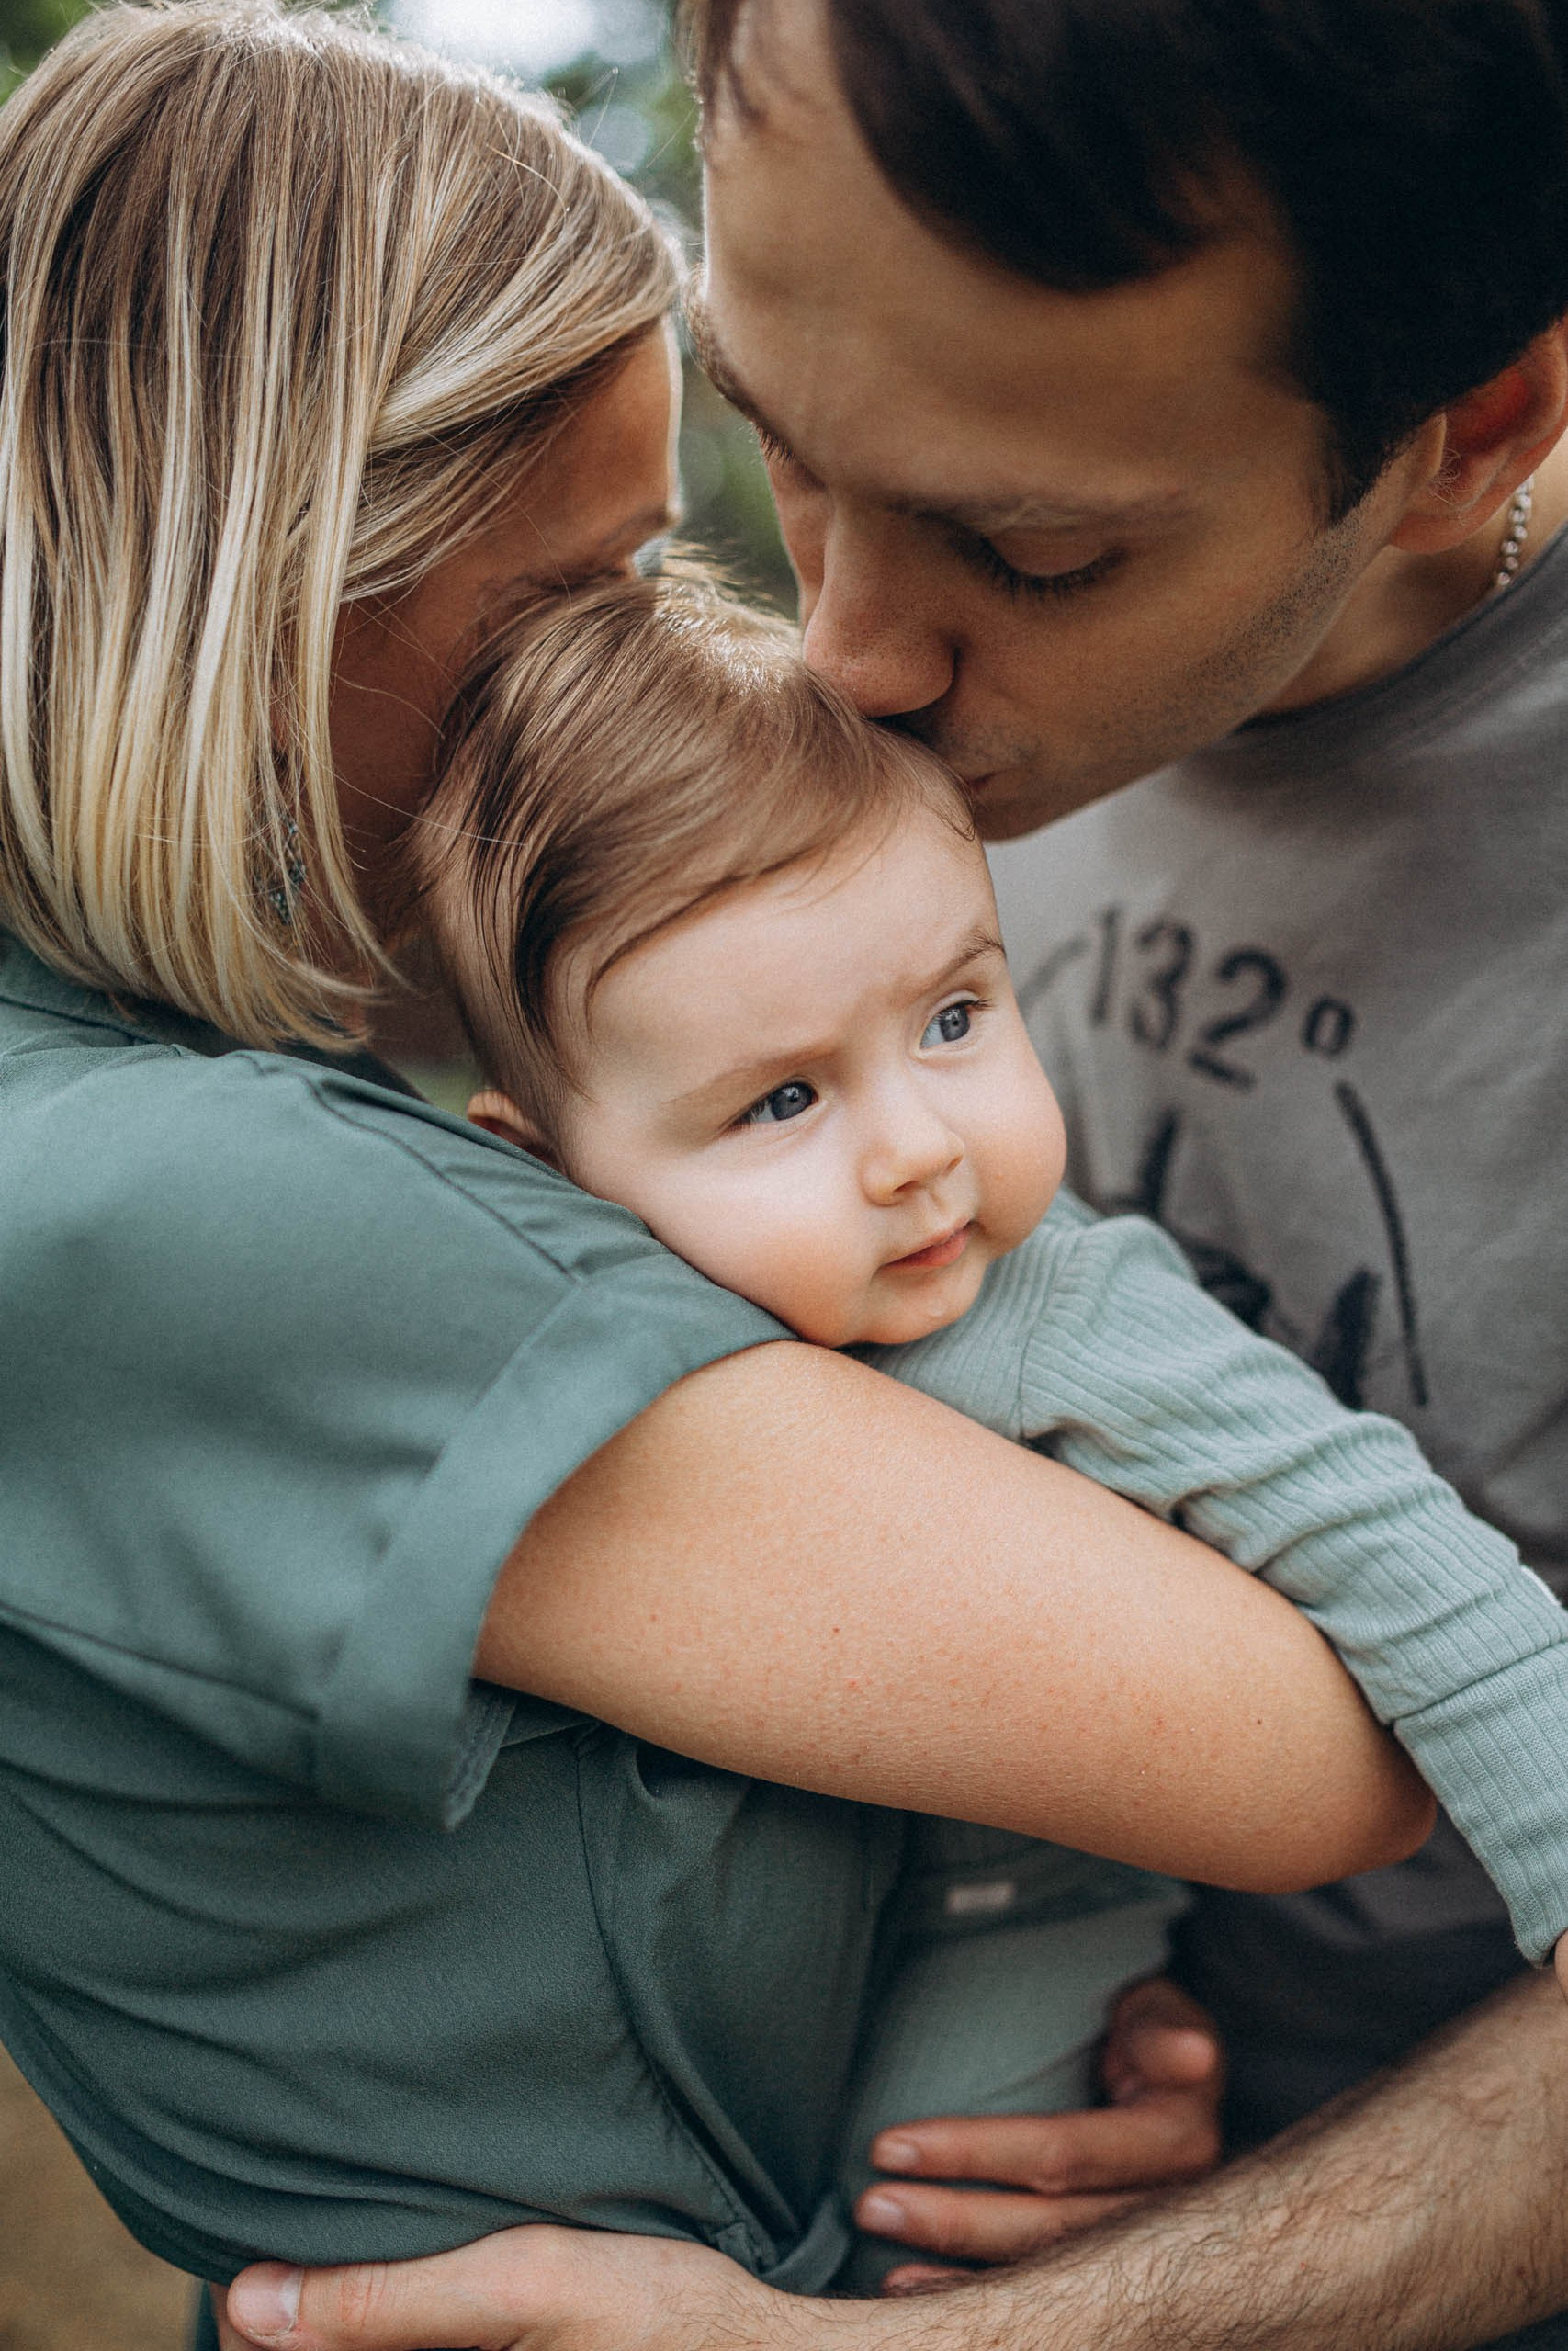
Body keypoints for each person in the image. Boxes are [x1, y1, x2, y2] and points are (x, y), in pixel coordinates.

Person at [0, 0, 1443, 2338]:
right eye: (579, 593)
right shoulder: (169, 1202)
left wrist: (985, 2039)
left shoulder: (165, 1083)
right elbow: (1300, 1746)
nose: (761, 665)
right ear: (278, 578)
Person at [405, 560, 1568, 2294]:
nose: (918, 1148)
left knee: (921, 2225)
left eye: (956, 1017)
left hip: (1015, 1923)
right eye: (782, 1097)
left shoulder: (1064, 1311)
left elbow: (1407, 1560)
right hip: (754, 1910)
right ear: (541, 1162)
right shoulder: (553, 1330)